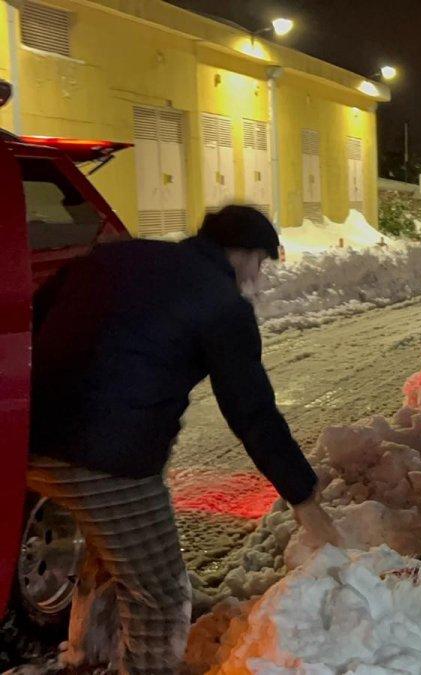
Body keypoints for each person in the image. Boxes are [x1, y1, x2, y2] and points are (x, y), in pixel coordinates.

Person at [28, 205, 340, 674]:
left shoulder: (119, 256)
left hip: (31, 441)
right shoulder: (221, 302)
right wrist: (305, 496)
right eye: (260, 264)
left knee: (113, 559)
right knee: (161, 594)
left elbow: (34, 316)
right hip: (109, 463)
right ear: (244, 254)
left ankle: (88, 661)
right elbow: (252, 412)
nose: (257, 278)